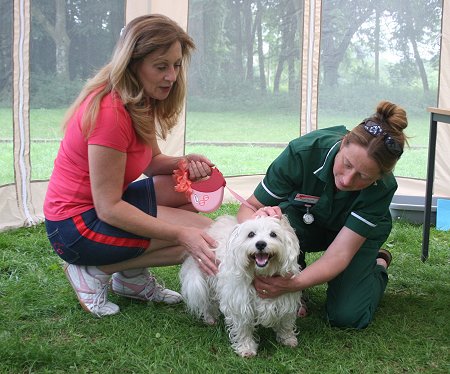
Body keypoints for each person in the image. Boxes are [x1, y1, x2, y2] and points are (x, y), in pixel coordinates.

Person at [44, 14, 218, 318]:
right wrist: (179, 234)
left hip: (101, 209)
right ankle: (93, 270)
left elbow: (151, 163)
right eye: (161, 66)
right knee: (201, 237)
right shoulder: (110, 113)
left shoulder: (140, 99)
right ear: (133, 64)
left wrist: (185, 162)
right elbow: (108, 208)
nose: (171, 76)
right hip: (75, 229)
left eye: (176, 65)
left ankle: (131, 279)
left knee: (192, 193)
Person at [237, 101, 408, 329]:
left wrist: (291, 285)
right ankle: (294, 273)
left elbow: (339, 254)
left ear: (379, 177)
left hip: (355, 237)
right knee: (281, 224)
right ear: (343, 142)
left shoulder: (383, 187)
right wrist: (258, 220)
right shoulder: (302, 152)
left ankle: (378, 264)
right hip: (306, 221)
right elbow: (248, 207)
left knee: (347, 316)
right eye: (347, 164)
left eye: (364, 176)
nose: (347, 180)